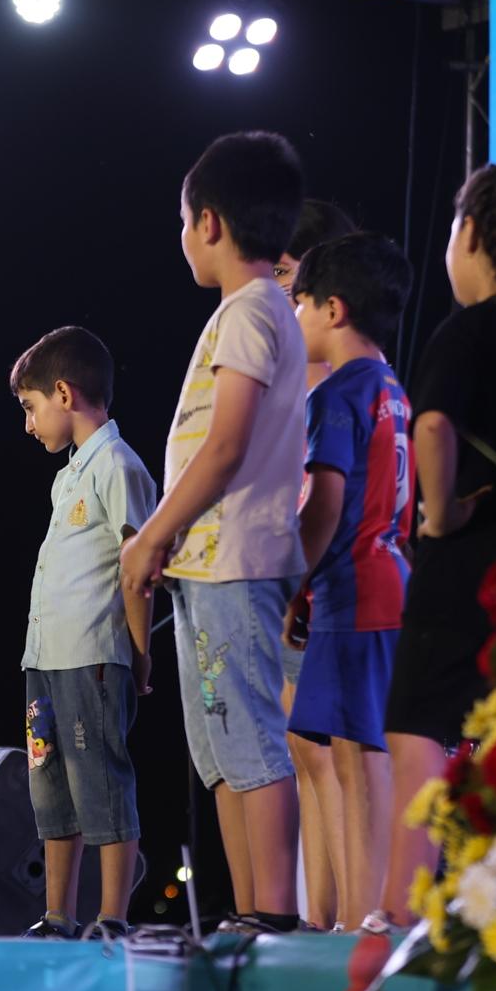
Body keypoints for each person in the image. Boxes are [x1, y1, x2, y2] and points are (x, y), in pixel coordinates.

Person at [121, 130, 308, 935]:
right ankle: (248, 908)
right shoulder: (244, 311)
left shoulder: (253, 308)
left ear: (210, 223)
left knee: (252, 737)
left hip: (236, 560)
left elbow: (227, 445)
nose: (183, 236)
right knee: (221, 748)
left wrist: (152, 534)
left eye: (183, 220)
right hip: (206, 566)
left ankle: (275, 909)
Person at [380, 164, 496, 925]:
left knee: (417, 729)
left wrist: (439, 513)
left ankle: (401, 913)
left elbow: (432, 424)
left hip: (466, 565)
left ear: (473, 234)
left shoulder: (467, 328)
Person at [282, 232, 415, 934]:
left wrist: (290, 584)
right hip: (384, 579)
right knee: (355, 757)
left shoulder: (335, 393)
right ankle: (360, 915)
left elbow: (324, 504)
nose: (294, 316)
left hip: (356, 591)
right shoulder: (392, 386)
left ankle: (370, 915)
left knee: (362, 762)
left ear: (332, 310)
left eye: (299, 303)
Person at [10, 326, 158, 942]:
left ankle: (113, 916)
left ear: (64, 394)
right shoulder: (67, 476)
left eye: (30, 407)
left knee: (100, 782)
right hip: (46, 657)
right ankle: (57, 915)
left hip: (92, 653)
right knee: (50, 787)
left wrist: (140, 654)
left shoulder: (119, 466)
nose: (28, 424)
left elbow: (139, 569)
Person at [273, 194, 356, 930]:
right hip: (289, 577)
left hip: (325, 581)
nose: (279, 295)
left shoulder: (340, 380)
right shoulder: (291, 372)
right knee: (302, 749)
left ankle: (345, 921)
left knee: (328, 753)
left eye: (286, 277)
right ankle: (317, 917)